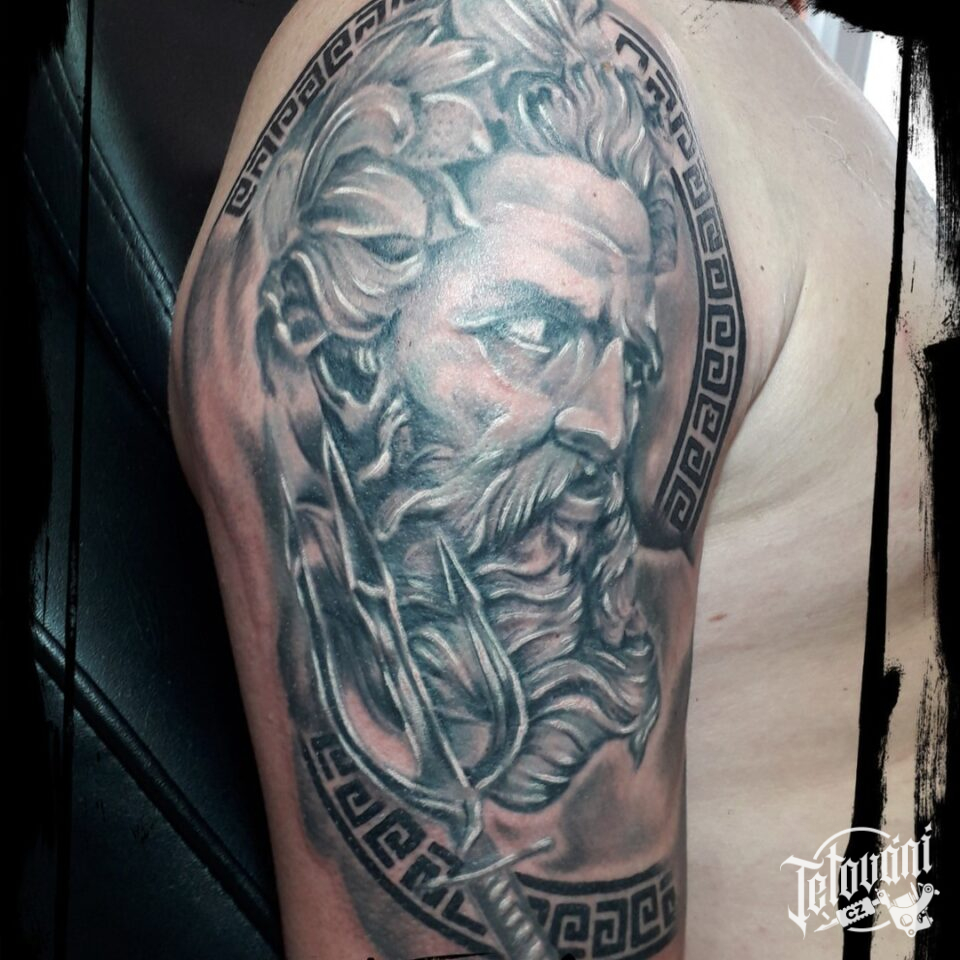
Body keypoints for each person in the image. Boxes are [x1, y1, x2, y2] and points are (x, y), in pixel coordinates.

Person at [170, 1, 945, 957]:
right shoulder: (496, 30)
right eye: (535, 333)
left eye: (635, 363)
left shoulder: (752, 59)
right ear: (337, 354)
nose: (610, 426)